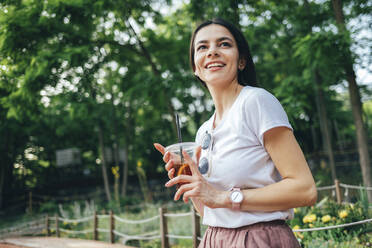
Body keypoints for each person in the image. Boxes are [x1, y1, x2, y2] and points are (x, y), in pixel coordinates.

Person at [154, 18, 317, 248]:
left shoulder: (256, 102)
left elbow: (305, 189)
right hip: (214, 239)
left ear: (241, 61)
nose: (212, 52)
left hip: (258, 239)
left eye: (224, 44)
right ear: (195, 67)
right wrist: (193, 184)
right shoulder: (203, 131)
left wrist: (225, 197)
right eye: (202, 47)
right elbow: (209, 212)